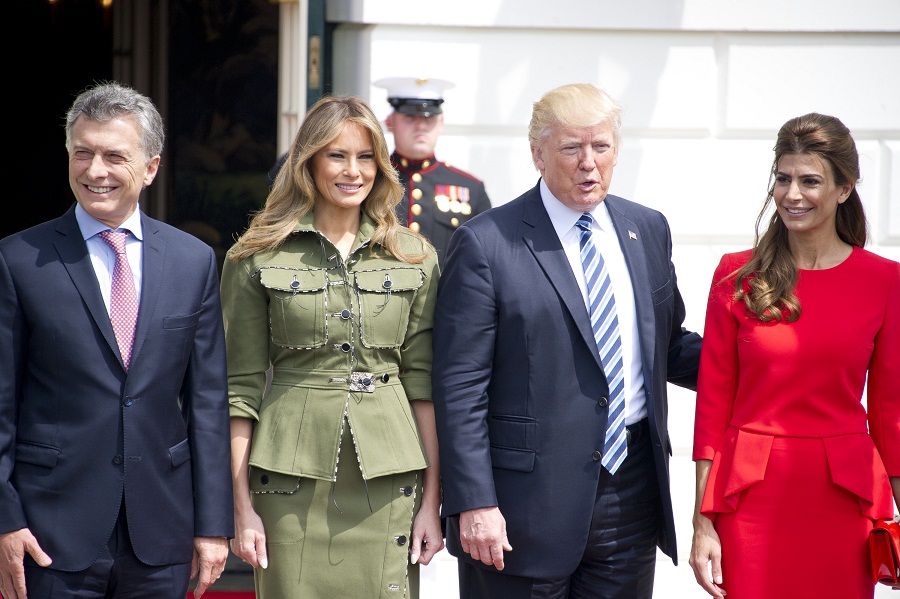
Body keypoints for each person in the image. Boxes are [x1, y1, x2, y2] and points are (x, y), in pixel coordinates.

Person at [432, 82, 702, 599]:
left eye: (600, 147)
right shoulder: (487, 243)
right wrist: (473, 502)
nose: (588, 163)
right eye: (571, 148)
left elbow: (666, 348)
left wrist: (766, 362)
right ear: (537, 153)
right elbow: (460, 387)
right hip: (519, 513)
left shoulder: (647, 229)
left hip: (631, 500)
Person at [0, 81, 233, 599]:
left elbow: (209, 402)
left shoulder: (193, 261)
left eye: (113, 156)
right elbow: (1, 405)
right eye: (82, 153)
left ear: (150, 167)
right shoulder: (19, 259)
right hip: (50, 532)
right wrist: (5, 519)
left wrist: (213, 525)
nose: (95, 171)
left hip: (161, 532)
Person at [221, 94, 444, 598]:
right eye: (336, 155)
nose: (353, 171)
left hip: (389, 479)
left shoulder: (414, 256)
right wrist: (240, 507)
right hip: (287, 486)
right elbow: (239, 390)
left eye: (366, 157)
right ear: (308, 163)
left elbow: (423, 385)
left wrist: (433, 500)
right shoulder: (254, 257)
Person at [689, 113, 900, 599]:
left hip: (845, 503)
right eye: (783, 179)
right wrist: (703, 524)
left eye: (810, 181)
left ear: (844, 189)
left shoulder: (883, 281)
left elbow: (889, 413)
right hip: (748, 501)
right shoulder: (736, 275)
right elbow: (712, 411)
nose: (792, 194)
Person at [374, 77, 492, 268]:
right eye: (410, 117)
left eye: (429, 118)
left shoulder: (470, 188)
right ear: (390, 122)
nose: (420, 126)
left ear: (441, 122)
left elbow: (487, 256)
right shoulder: (371, 179)